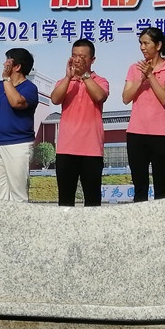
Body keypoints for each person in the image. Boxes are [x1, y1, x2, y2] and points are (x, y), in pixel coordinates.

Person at [122, 27, 165, 202]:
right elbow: (126, 98)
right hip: (136, 134)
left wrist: (151, 76)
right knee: (140, 187)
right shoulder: (134, 68)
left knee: (161, 188)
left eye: (146, 43)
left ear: (158, 45)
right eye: (141, 43)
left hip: (162, 135)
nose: (142, 47)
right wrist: (141, 78)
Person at [51, 39, 109, 206]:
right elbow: (55, 99)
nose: (77, 60)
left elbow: (99, 96)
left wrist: (85, 75)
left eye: (82, 57)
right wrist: (68, 78)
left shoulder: (100, 81)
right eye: (74, 56)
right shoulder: (64, 82)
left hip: (92, 150)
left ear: (92, 59)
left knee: (92, 201)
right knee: (65, 201)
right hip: (66, 149)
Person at [0, 49, 38, 202]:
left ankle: (20, 219)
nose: (4, 64)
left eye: (8, 61)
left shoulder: (29, 88)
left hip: (17, 145)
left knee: (18, 193)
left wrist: (6, 79)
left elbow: (16, 102)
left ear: (17, 67)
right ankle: (0, 219)